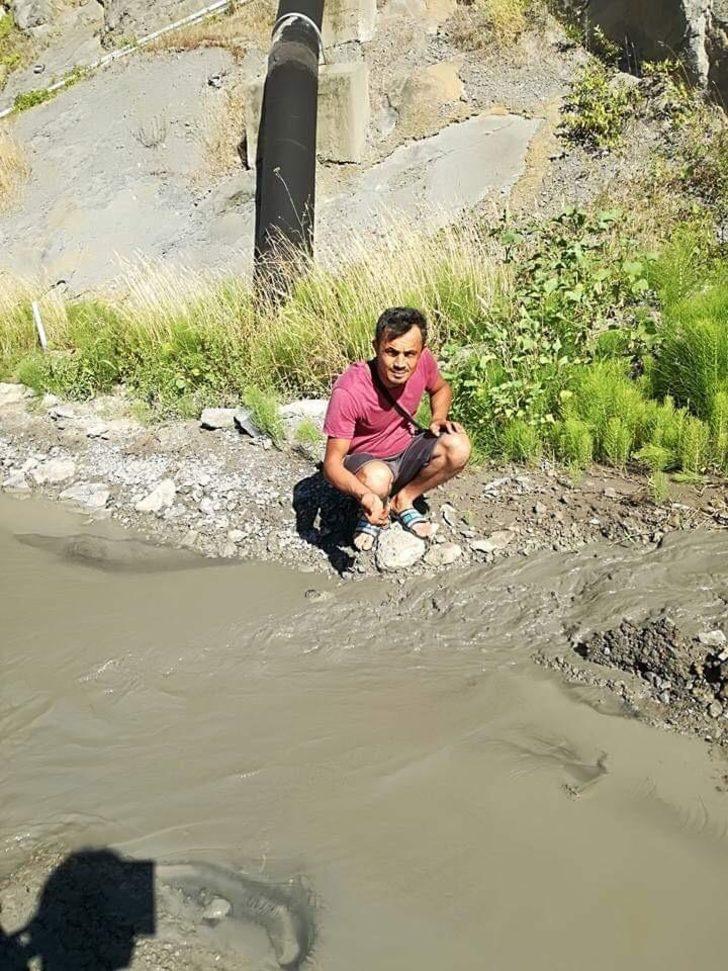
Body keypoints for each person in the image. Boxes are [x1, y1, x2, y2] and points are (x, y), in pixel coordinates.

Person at [322, 306, 471, 551]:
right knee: (377, 479)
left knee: (458, 444)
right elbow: (331, 465)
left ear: (421, 352)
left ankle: (403, 500)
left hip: (406, 448)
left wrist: (438, 418)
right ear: (376, 347)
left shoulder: (424, 361)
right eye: (391, 352)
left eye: (409, 354)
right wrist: (365, 495)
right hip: (368, 463)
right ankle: (373, 506)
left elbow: (441, 389)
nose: (400, 363)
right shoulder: (349, 390)